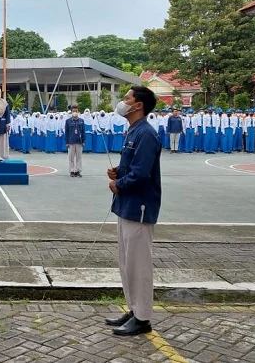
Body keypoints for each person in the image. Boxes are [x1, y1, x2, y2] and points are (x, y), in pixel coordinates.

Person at [105, 86, 162, 337]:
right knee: (126, 262)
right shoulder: (133, 131)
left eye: (127, 98)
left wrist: (119, 184)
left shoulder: (146, 134)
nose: (123, 102)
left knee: (138, 264)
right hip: (127, 205)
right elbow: (133, 166)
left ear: (138, 105)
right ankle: (133, 309)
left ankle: (143, 318)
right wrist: (119, 171)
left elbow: (141, 174)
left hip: (138, 205)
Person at [65, 105, 85, 177]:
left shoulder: (81, 121)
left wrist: (83, 141)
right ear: (71, 112)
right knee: (71, 158)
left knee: (79, 157)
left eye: (76, 111)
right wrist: (67, 142)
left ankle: (78, 171)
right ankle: (72, 171)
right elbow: (66, 132)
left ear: (78, 111)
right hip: (71, 141)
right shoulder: (68, 121)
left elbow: (83, 131)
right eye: (73, 111)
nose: (75, 113)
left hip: (79, 141)